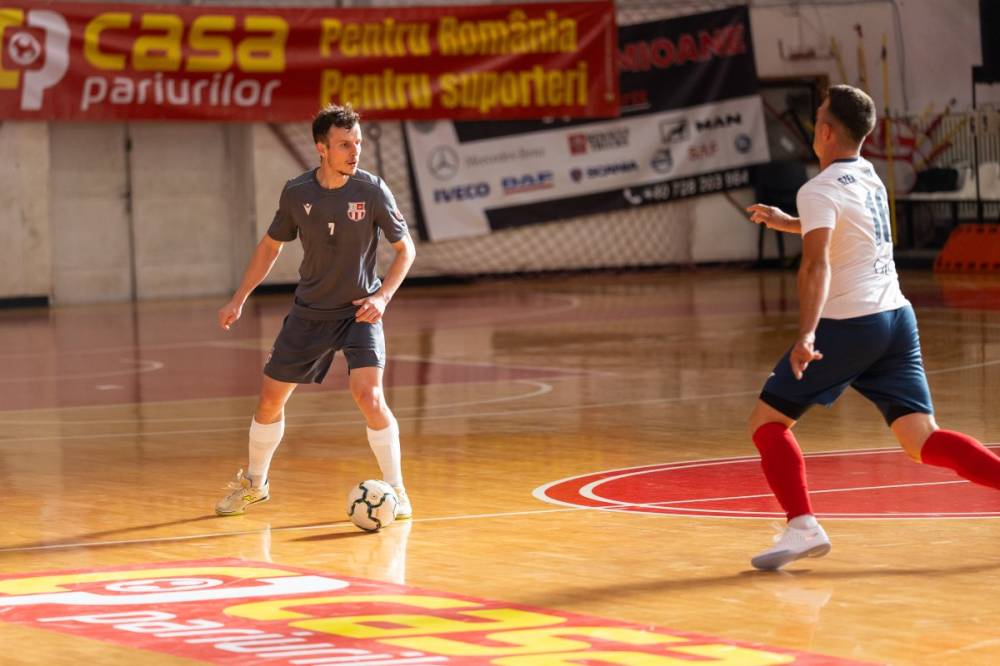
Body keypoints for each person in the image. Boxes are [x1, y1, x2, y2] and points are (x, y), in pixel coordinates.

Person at [745, 85, 1000, 571]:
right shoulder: (869, 176)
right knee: (922, 439)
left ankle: (802, 526)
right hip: (896, 319)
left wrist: (806, 334)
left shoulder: (817, 187)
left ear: (824, 131)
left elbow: (816, 266)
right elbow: (842, 226)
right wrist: (789, 222)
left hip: (852, 323)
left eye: (818, 117)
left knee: (767, 423)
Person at [215, 103, 416, 518]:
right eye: (345, 144)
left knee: (369, 396)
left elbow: (405, 250)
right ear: (321, 148)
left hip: (359, 311)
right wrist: (239, 297)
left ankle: (397, 491)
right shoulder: (297, 192)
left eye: (357, 143)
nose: (354, 151)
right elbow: (270, 247)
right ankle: (256, 484)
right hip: (310, 313)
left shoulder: (372, 191)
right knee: (270, 401)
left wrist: (381, 298)